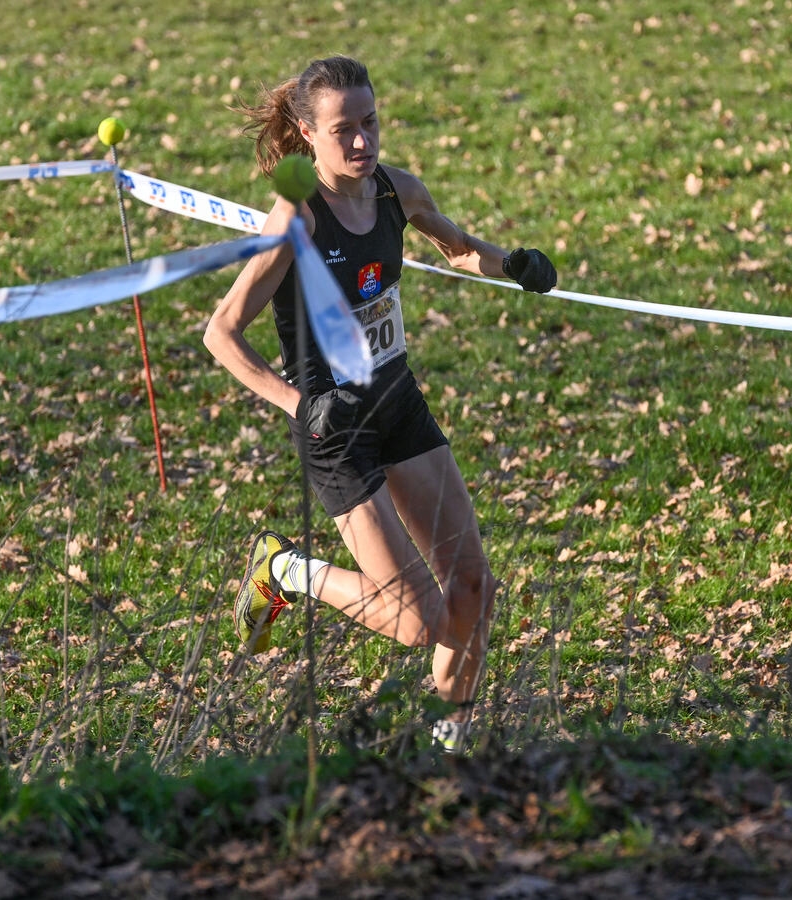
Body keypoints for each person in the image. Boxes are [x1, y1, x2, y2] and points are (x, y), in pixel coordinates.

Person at [203, 55, 557, 753]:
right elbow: (221, 334)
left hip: (395, 403)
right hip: (336, 432)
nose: (364, 143)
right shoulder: (294, 219)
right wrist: (299, 405)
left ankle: (448, 745)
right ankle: (283, 570)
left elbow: (457, 248)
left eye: (371, 123)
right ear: (307, 135)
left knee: (473, 591)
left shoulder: (397, 191)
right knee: (417, 622)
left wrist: (512, 264)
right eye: (345, 132)